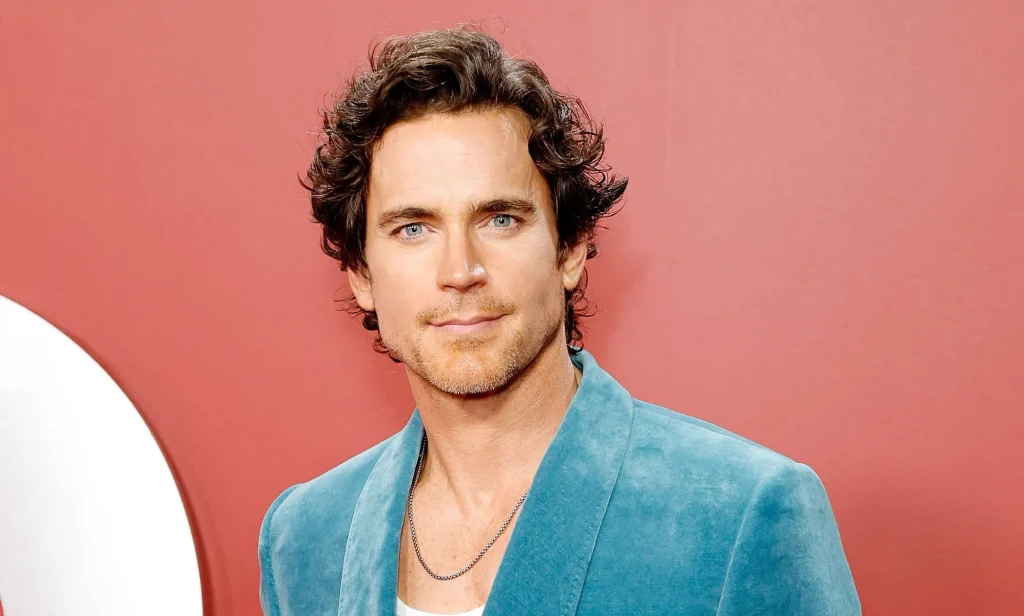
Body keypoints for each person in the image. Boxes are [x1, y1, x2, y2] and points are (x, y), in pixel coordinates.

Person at [258, 26, 861, 616]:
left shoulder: (741, 514)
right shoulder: (305, 538)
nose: (461, 269)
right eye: (413, 228)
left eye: (500, 220)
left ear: (569, 248)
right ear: (361, 274)